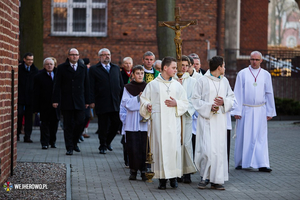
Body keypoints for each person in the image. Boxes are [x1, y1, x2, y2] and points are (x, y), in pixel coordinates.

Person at [140, 56, 189, 190]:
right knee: (160, 149)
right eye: (173, 67)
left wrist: (176, 103)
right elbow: (143, 99)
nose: (176, 70)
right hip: (159, 123)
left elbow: (185, 103)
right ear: (165, 68)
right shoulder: (153, 84)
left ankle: (173, 178)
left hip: (173, 123)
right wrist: (148, 105)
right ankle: (162, 179)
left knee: (173, 149)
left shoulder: (177, 85)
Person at [191, 56, 235, 190]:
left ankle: (217, 180)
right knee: (207, 150)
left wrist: (223, 103)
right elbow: (195, 100)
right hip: (206, 120)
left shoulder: (225, 81)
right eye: (224, 65)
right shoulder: (202, 81)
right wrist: (209, 106)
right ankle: (205, 177)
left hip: (220, 121)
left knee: (219, 151)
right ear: (219, 67)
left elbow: (232, 97)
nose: (225, 68)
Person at [232, 51, 276, 172]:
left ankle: (262, 163)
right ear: (249, 60)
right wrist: (237, 110)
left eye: (257, 59)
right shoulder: (242, 74)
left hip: (260, 109)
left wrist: (270, 111)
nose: (254, 62)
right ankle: (241, 162)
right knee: (243, 136)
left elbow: (269, 93)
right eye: (252, 59)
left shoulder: (266, 74)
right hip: (245, 109)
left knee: (260, 137)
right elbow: (238, 93)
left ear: (261, 60)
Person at [52, 48, 90, 155]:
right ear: (68, 56)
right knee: (68, 125)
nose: (74, 56)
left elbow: (87, 85)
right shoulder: (61, 68)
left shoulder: (83, 68)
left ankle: (74, 142)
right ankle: (69, 147)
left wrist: (88, 100)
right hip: (67, 100)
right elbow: (57, 85)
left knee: (80, 122)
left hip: (80, 100)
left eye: (76, 55)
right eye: (72, 55)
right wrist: (55, 100)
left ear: (78, 56)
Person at [89, 48, 124, 154]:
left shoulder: (116, 68)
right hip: (102, 101)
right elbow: (90, 86)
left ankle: (108, 141)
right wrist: (91, 100)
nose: (107, 56)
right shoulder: (94, 69)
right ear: (100, 57)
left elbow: (121, 85)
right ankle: (103, 145)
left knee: (117, 123)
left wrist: (123, 99)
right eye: (104, 55)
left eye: (108, 54)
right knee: (103, 125)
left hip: (115, 101)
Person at [121, 65, 148, 181]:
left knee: (144, 147)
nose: (140, 75)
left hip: (145, 123)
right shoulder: (127, 88)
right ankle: (133, 171)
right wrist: (138, 98)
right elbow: (126, 103)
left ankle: (144, 171)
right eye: (137, 73)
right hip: (132, 122)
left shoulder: (148, 87)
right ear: (133, 75)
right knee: (133, 148)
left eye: (142, 73)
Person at [173, 55, 197, 183]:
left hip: (186, 116)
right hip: (175, 116)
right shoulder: (172, 80)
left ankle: (187, 172)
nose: (184, 68)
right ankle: (177, 172)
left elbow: (194, 99)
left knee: (186, 144)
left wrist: (185, 108)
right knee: (176, 143)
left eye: (186, 66)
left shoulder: (192, 81)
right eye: (182, 65)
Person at [33, 58, 60, 149]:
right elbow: (36, 93)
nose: (49, 66)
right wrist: (36, 108)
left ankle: (52, 141)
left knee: (54, 124)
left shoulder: (58, 75)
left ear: (54, 65)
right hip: (44, 104)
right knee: (45, 124)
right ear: (44, 65)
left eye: (51, 64)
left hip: (56, 104)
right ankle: (44, 142)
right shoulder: (39, 76)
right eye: (47, 64)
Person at [17, 52, 39, 142]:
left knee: (29, 118)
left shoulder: (35, 70)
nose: (30, 61)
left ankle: (27, 136)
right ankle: (17, 134)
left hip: (30, 98)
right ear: (24, 60)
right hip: (20, 97)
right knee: (19, 115)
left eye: (32, 60)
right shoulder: (19, 69)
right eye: (29, 60)